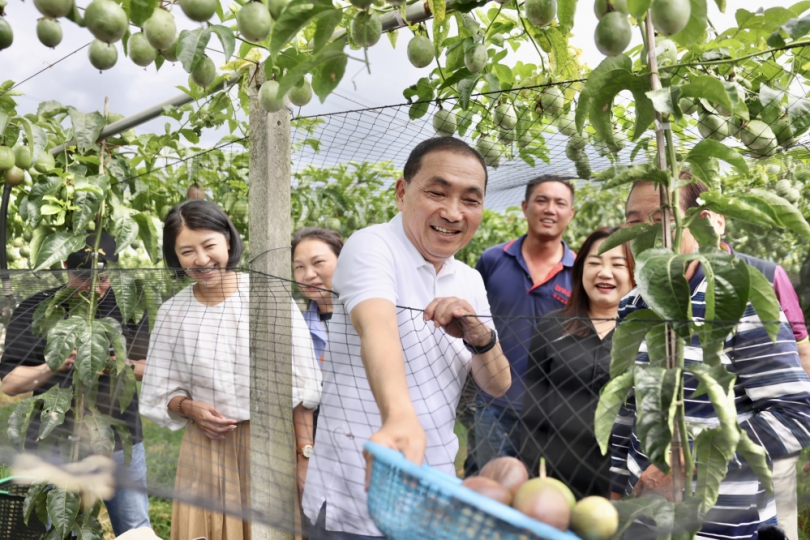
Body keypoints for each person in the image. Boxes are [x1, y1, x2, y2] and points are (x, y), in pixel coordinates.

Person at [301, 137, 512, 539]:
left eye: (470, 200)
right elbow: (376, 327)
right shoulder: (372, 245)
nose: (452, 212)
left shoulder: (469, 280)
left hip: (432, 494)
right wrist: (398, 417)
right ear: (402, 192)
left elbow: (497, 384)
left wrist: (479, 336)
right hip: (356, 494)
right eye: (437, 192)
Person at [609, 179, 810, 539]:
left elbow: (796, 415)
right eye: (632, 221)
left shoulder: (738, 302)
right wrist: (615, 490)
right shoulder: (634, 304)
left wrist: (688, 464)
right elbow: (629, 408)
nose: (643, 232)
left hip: (722, 528)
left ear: (699, 223)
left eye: (659, 218)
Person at [139, 200, 321, 540]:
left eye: (209, 246)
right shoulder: (171, 314)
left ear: (227, 240)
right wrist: (189, 407)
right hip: (206, 448)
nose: (202, 259)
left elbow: (302, 387)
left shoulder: (269, 298)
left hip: (268, 446)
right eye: (187, 251)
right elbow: (160, 392)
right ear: (175, 256)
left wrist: (303, 455)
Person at [0, 231, 151, 537]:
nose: (95, 288)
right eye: (83, 278)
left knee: (135, 531)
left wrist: (117, 364)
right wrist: (51, 365)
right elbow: (9, 384)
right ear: (65, 265)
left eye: (104, 278)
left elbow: (149, 368)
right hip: (54, 443)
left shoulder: (129, 305)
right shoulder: (36, 308)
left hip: (120, 443)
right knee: (49, 531)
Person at [519, 227, 634, 497]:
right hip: (560, 481)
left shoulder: (649, 335)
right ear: (580, 269)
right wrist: (535, 475)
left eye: (617, 264)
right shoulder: (552, 326)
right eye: (594, 263)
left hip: (625, 486)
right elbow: (532, 411)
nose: (604, 272)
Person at [473, 176, 576, 468]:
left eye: (560, 203)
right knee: (490, 487)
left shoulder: (580, 272)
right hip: (492, 402)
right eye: (541, 200)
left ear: (571, 214)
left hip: (551, 408)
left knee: (537, 496)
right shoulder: (493, 260)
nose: (550, 209)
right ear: (524, 206)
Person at [292, 226, 342, 495]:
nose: (308, 274)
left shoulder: (371, 318)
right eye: (299, 267)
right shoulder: (296, 328)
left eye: (318, 262)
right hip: (318, 433)